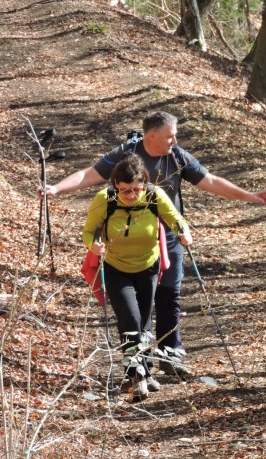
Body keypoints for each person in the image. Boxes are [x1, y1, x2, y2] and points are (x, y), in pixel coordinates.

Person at [41, 110, 266, 377]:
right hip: (129, 243)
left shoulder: (177, 156)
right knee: (141, 303)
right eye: (170, 136)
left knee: (169, 295)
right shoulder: (127, 154)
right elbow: (91, 174)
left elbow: (210, 181)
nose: (174, 141)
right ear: (152, 135)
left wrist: (251, 196)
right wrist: (56, 188)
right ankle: (142, 362)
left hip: (170, 236)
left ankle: (171, 356)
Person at [82, 154, 193, 401]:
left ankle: (146, 371)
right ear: (115, 186)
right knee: (130, 319)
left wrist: (184, 233)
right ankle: (134, 375)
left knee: (143, 322)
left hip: (148, 267)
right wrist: (94, 245)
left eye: (136, 190)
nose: (131, 195)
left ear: (144, 183)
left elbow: (176, 219)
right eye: (124, 191)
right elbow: (88, 232)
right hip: (116, 267)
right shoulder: (105, 199)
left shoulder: (153, 196)